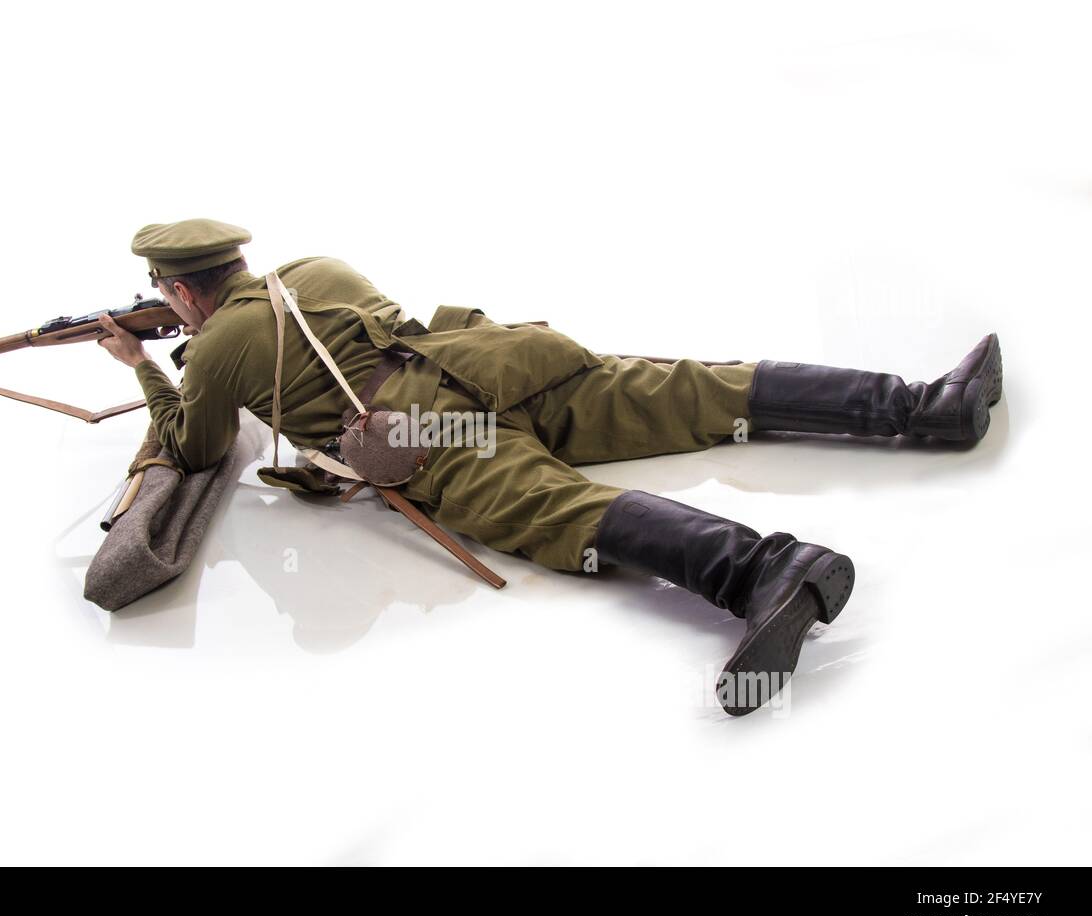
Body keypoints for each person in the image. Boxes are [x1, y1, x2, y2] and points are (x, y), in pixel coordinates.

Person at [96, 219, 1004, 715]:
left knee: (554, 511)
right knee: (693, 390)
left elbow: (198, 448)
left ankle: (767, 571)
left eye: (171, 301)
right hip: (497, 361)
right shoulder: (316, 264)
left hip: (430, 428)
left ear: (180, 291)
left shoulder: (214, 351)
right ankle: (926, 406)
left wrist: (147, 366)